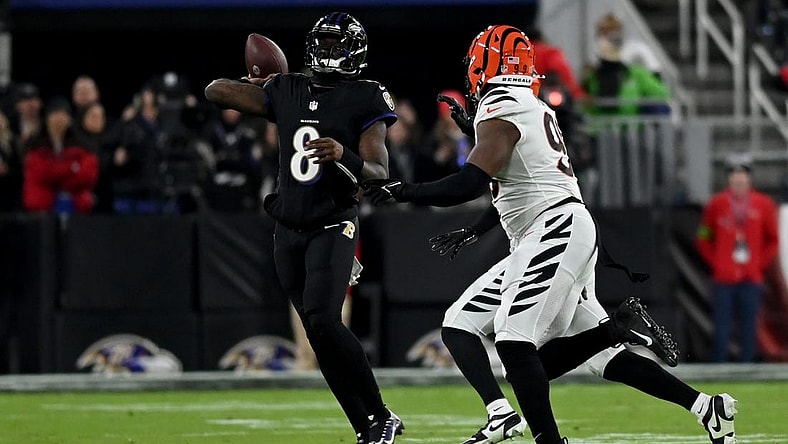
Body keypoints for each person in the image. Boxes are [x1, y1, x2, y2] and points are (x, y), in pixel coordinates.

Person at [363, 25, 735, 444]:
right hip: (550, 229)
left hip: (552, 229)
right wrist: (478, 221)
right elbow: (517, 180)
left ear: (486, 64)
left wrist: (403, 190)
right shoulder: (529, 104)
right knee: (464, 325)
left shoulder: (501, 107)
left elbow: (469, 183)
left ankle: (567, 405)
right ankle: (707, 407)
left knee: (514, 343)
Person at [204, 12, 403, 444]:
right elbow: (215, 91)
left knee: (325, 321)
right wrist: (263, 84)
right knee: (316, 332)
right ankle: (364, 426)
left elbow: (379, 171)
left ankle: (381, 413)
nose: (329, 54)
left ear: (355, 53)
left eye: (338, 47)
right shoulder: (287, 88)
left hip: (333, 222)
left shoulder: (366, 95)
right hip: (287, 228)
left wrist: (344, 155)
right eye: (324, 45)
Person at [697, 153, 779, 363]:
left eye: (742, 174)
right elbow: (703, 237)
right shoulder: (717, 204)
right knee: (721, 326)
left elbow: (773, 240)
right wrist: (717, 262)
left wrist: (759, 264)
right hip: (724, 278)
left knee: (749, 326)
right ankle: (719, 368)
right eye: (734, 174)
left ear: (749, 178)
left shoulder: (763, 204)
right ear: (729, 178)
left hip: (751, 277)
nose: (739, 179)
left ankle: (748, 367)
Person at [22, 97, 99, 215]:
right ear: (47, 119)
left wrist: (57, 176)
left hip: (77, 208)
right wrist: (71, 168)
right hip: (42, 208)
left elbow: (87, 175)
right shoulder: (35, 147)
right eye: (55, 116)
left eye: (63, 116)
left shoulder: (82, 146)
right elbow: (41, 173)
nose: (59, 120)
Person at [582, 14, 670, 116]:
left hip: (631, 122)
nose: (608, 37)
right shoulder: (592, 74)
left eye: (612, 33)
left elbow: (660, 88)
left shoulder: (636, 64)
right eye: (603, 33)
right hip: (601, 125)